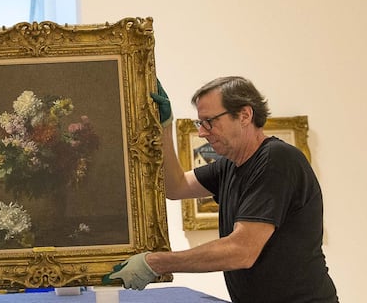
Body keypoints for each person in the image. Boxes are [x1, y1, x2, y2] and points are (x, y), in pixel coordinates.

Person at [107, 77, 338, 303]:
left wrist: (155, 263)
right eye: (200, 123)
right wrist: (164, 127)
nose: (202, 132)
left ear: (245, 115)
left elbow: (241, 250)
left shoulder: (276, 160)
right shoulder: (231, 165)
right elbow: (175, 187)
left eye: (210, 121)